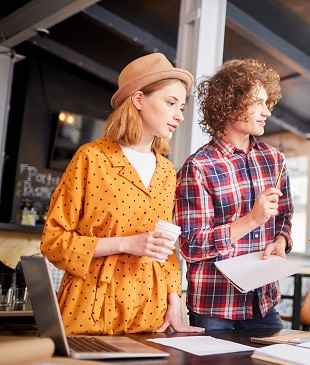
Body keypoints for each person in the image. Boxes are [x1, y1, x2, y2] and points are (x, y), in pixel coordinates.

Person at [41, 53, 204, 335]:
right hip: (91, 310)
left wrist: (175, 302)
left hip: (149, 315)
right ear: (139, 100)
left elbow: (165, 248)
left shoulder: (166, 171)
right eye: (171, 103)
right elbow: (54, 242)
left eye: (182, 106)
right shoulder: (91, 158)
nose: (179, 115)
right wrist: (127, 244)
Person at [175, 58, 294, 331]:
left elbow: (285, 215)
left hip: (263, 302)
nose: (267, 112)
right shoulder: (198, 167)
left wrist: (280, 241)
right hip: (215, 307)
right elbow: (191, 245)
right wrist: (252, 220)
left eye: (268, 102)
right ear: (230, 104)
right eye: (258, 103)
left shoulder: (274, 159)